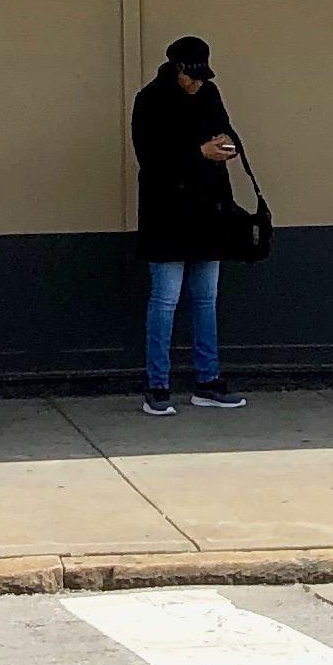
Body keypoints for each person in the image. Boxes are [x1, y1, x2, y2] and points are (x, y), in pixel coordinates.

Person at [131, 33, 249, 415]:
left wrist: (226, 145)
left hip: (208, 211)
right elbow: (151, 159)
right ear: (176, 68)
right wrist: (201, 152)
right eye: (192, 75)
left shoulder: (210, 94)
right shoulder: (150, 100)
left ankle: (208, 381)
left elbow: (227, 132)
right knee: (165, 301)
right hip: (167, 214)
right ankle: (157, 386)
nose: (197, 82)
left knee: (205, 300)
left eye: (202, 75)